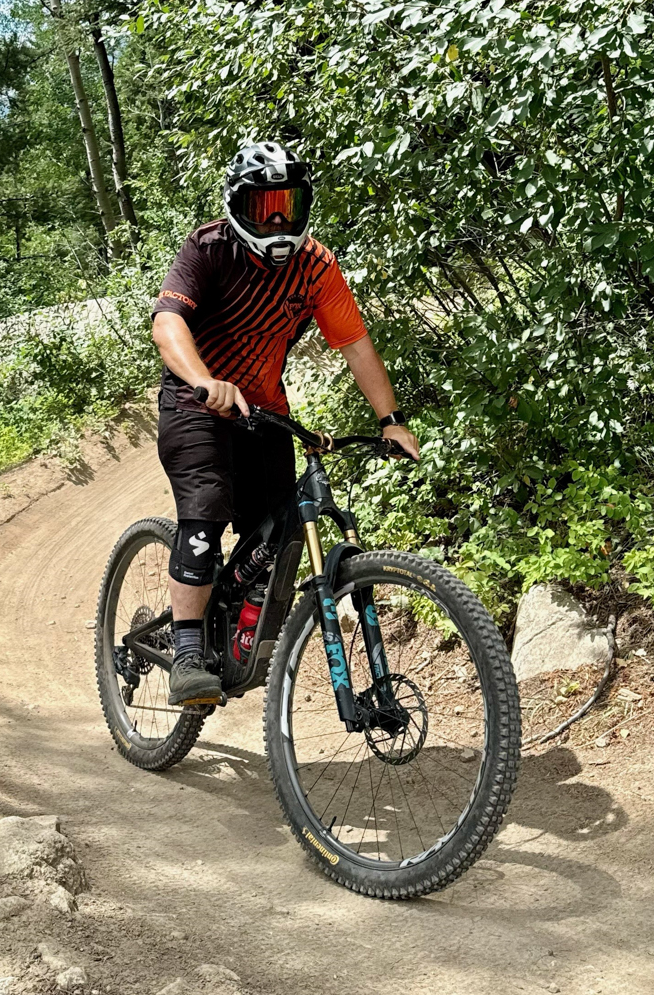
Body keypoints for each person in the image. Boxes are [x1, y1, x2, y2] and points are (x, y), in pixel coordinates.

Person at [152, 140, 420, 706]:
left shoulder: (316, 267)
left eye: (288, 205)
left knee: (274, 532)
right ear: (235, 205)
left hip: (265, 413)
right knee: (205, 510)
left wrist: (391, 420)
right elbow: (168, 324)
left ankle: (235, 632)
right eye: (262, 205)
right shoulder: (208, 248)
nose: (277, 219)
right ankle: (185, 652)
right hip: (195, 402)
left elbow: (355, 344)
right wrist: (205, 380)